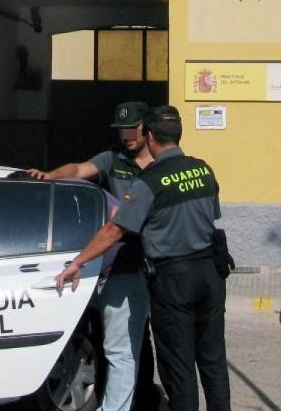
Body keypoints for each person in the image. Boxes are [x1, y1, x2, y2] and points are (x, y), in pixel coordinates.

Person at [54, 106, 231, 411]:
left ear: (149, 136)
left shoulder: (150, 181)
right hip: (211, 274)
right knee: (213, 360)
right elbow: (211, 215)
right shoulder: (204, 169)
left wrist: (78, 262)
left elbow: (114, 231)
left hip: (174, 279)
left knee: (179, 367)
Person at [28, 101, 158, 411]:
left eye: (132, 129)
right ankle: (119, 398)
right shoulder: (112, 159)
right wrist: (51, 176)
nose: (126, 135)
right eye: (121, 129)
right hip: (117, 261)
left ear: (146, 129)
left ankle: (145, 398)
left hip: (153, 260)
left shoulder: (160, 165)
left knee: (143, 341)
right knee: (112, 340)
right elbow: (78, 169)